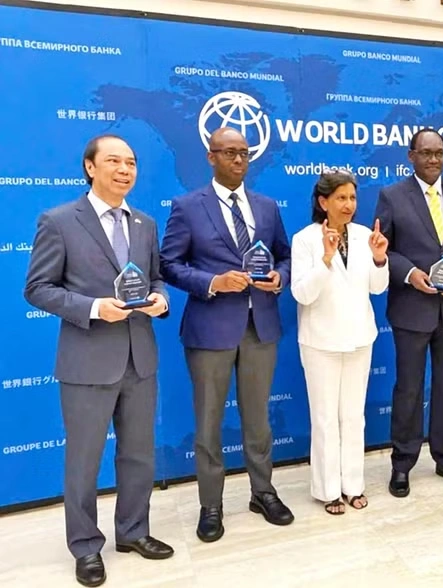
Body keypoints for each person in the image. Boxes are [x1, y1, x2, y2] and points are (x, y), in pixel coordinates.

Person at [24, 134, 174, 587]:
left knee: (139, 455)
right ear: (90, 167)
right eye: (113, 161)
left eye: (131, 162)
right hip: (87, 361)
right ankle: (86, 546)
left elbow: (156, 278)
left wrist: (160, 300)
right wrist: (93, 308)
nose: (124, 170)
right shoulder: (58, 221)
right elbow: (37, 288)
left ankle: (133, 531)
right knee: (84, 460)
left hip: (139, 358)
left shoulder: (145, 223)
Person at [159, 127, 293, 543]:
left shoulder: (266, 206)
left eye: (244, 153)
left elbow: (285, 255)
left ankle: (263, 492)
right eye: (230, 152)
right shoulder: (187, 206)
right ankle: (211, 505)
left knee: (258, 420)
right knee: (208, 423)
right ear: (211, 156)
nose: (238, 160)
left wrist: (280, 276)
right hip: (210, 329)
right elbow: (168, 264)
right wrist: (213, 282)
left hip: (260, 326)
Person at [374, 129, 443, 497]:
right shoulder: (392, 196)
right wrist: (410, 274)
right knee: (408, 389)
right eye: (425, 153)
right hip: (411, 309)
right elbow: (383, 249)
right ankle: (403, 462)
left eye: (439, 153)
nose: (433, 159)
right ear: (411, 156)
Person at [291, 171, 389, 515]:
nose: (349, 205)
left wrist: (379, 258)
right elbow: (302, 293)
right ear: (323, 202)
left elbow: (377, 287)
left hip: (360, 338)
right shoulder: (305, 240)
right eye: (341, 198)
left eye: (352, 198)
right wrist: (326, 258)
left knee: (353, 416)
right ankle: (328, 490)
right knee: (325, 419)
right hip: (321, 342)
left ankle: (353, 485)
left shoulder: (364, 236)